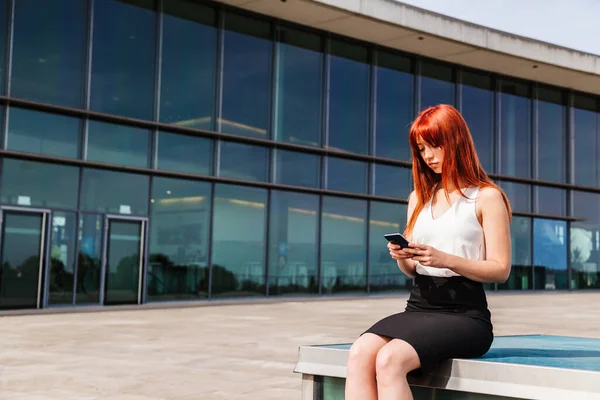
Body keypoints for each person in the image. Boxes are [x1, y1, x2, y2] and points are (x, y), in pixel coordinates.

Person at [345, 104, 512, 400]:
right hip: (419, 306)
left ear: (456, 142)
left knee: (389, 359)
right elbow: (414, 270)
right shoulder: (419, 198)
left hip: (465, 315)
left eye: (435, 146)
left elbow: (500, 269)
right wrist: (404, 259)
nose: (429, 156)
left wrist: (446, 259)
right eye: (422, 149)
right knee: (359, 352)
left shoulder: (486, 197)